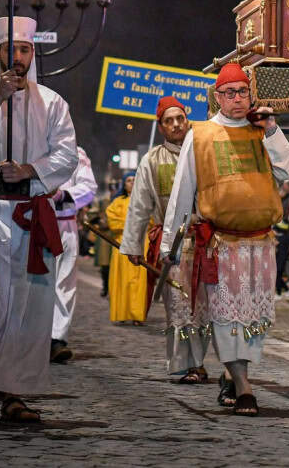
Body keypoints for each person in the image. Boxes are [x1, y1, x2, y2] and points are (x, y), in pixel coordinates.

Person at [0, 16, 79, 427]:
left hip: (28, 218)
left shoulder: (54, 103)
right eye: (11, 49)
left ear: (32, 54)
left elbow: (66, 155)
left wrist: (29, 170)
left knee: (26, 307)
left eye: (25, 50)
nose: (18, 57)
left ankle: (15, 393)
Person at [161, 62, 289, 417]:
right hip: (221, 245)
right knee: (226, 315)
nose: (237, 99)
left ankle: (235, 373)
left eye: (242, 91)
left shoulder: (262, 132)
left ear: (251, 95)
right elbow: (182, 193)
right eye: (229, 93)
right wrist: (169, 246)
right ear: (217, 97)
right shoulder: (201, 133)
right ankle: (243, 386)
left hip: (260, 245)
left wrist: (271, 129)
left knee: (253, 317)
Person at [120, 96, 206, 381]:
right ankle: (188, 364)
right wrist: (133, 245)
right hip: (173, 246)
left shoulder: (204, 151)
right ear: (161, 126)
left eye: (179, 118)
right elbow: (139, 204)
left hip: (207, 243)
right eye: (168, 121)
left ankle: (204, 361)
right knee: (179, 306)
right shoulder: (152, 160)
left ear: (187, 119)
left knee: (204, 306)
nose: (176, 125)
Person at [50, 146, 96, 363]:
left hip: (64, 224)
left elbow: (88, 187)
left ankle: (56, 339)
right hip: (31, 222)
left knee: (64, 283)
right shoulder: (31, 145)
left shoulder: (76, 153)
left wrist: (63, 195)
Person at [107, 171, 148, 324]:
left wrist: (137, 224)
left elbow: (151, 219)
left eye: (134, 180)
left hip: (140, 244)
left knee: (139, 282)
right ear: (124, 184)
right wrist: (132, 223)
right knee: (121, 280)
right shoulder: (117, 202)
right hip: (121, 245)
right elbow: (112, 222)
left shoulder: (145, 201)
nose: (131, 183)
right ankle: (121, 313)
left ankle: (137, 315)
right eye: (129, 180)